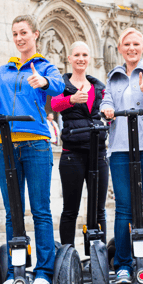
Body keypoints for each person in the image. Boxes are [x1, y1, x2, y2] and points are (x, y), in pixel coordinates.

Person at [0, 15, 65, 284]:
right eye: (15, 34)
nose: (20, 38)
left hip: (35, 144)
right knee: (13, 212)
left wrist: (43, 82)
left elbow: (59, 86)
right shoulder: (4, 71)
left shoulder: (44, 66)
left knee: (40, 210)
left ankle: (44, 270)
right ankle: (15, 269)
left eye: (24, 33)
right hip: (5, 145)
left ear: (35, 34)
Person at [100, 27, 143, 284]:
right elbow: (106, 100)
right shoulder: (114, 76)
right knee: (123, 209)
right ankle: (122, 267)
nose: (131, 48)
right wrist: (106, 107)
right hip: (120, 147)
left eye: (136, 44)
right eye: (126, 44)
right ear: (120, 48)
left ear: (142, 46)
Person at [51, 41, 108, 246]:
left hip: (98, 152)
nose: (81, 59)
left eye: (84, 55)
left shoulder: (99, 87)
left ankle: (98, 254)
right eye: (76, 55)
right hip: (72, 153)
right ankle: (69, 255)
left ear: (89, 58)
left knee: (99, 209)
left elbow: (107, 112)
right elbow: (55, 104)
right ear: (69, 58)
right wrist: (72, 99)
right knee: (70, 209)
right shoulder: (62, 85)